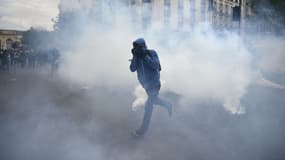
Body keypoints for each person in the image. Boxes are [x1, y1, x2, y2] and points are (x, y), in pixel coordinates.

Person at [130, 38, 172, 137]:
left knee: (149, 106)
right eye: (135, 48)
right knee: (154, 100)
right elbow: (132, 69)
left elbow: (155, 65)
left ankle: (141, 132)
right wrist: (135, 56)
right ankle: (168, 104)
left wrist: (144, 56)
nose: (137, 49)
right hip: (146, 86)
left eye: (139, 47)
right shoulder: (137, 56)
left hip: (155, 84)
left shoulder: (151, 53)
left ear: (144, 46)